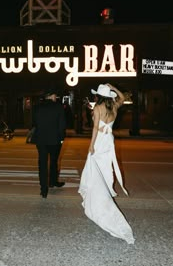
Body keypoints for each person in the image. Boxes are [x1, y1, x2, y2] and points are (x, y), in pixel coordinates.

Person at [78, 83, 135, 244]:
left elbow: (95, 127)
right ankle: (103, 193)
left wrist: (91, 145)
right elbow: (122, 97)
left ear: (98, 96)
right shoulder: (114, 106)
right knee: (104, 170)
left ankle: (99, 201)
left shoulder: (98, 107)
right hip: (109, 142)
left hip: (100, 141)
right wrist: (115, 88)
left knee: (94, 171)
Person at [33, 89, 66, 198]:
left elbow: (34, 123)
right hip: (55, 139)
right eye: (55, 95)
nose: (55, 97)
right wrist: (61, 139)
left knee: (42, 163)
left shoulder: (37, 107)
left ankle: (43, 189)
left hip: (41, 139)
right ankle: (52, 181)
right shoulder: (58, 107)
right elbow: (62, 126)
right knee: (53, 160)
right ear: (51, 96)